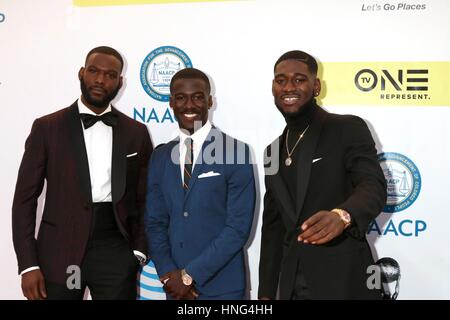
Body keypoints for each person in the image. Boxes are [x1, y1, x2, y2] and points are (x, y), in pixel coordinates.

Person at [12, 46, 153, 300]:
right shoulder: (47, 128)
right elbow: (24, 200)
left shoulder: (136, 133)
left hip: (115, 252)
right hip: (59, 253)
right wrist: (28, 264)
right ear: (81, 73)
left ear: (120, 82)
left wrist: (139, 250)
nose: (100, 79)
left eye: (111, 75)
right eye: (93, 71)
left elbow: (146, 197)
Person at [258, 50, 387, 299]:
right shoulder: (272, 151)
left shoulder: (347, 128)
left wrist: (343, 215)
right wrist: (266, 292)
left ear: (316, 86)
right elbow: (273, 229)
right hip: (291, 286)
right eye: (280, 80)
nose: (288, 87)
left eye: (299, 79)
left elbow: (372, 186)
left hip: (342, 279)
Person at [144, 68, 255, 300]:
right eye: (181, 97)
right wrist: (168, 274)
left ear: (210, 101)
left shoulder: (236, 152)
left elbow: (237, 228)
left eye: (197, 97)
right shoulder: (160, 156)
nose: (189, 105)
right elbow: (155, 222)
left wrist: (189, 276)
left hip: (223, 287)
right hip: (174, 288)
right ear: (171, 102)